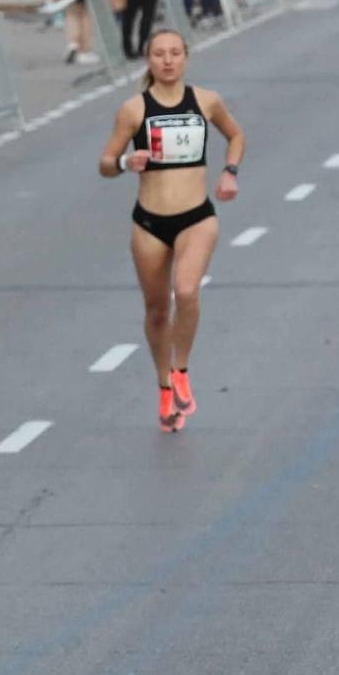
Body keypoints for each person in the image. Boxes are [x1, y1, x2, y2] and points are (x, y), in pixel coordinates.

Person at [96, 28, 242, 432]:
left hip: (196, 216)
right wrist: (127, 162)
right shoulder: (133, 110)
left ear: (186, 58)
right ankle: (164, 388)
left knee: (188, 290)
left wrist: (230, 172)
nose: (167, 60)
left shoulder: (206, 101)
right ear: (149, 60)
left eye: (175, 53)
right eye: (159, 54)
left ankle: (180, 370)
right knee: (158, 310)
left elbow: (236, 135)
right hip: (149, 221)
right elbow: (105, 163)